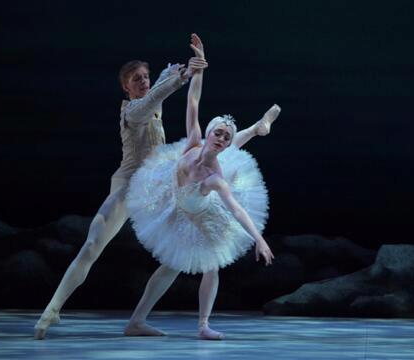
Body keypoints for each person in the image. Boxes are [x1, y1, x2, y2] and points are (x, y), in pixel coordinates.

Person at [34, 34, 280, 340]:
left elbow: (173, 93)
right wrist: (183, 76)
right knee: (93, 244)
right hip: (129, 185)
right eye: (136, 79)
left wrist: (193, 65)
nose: (143, 82)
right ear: (125, 86)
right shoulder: (131, 111)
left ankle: (137, 321)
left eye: (146, 77)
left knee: (177, 257)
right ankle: (51, 311)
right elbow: (158, 97)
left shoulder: (153, 100)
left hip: (161, 188)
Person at [124, 34, 278, 340]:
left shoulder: (215, 176)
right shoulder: (194, 141)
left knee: (212, 262)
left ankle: (203, 325)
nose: (220, 139)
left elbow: (235, 209)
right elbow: (193, 102)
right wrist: (200, 65)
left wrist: (259, 239)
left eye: (224, 137)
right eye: (218, 134)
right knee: (169, 265)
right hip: (176, 200)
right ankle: (136, 322)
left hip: (204, 213)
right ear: (210, 133)